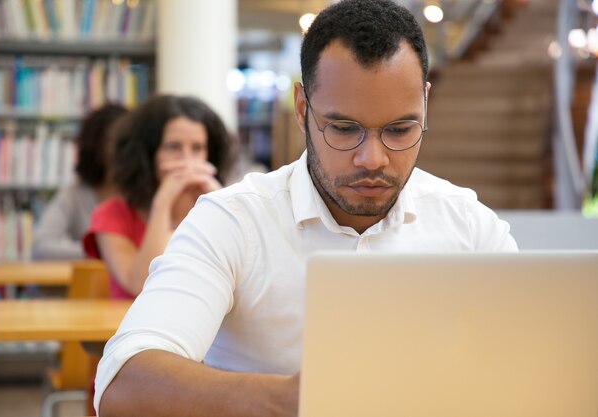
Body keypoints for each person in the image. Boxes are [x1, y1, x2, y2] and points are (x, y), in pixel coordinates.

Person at [95, 1, 518, 416]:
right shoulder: (233, 221)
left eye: (399, 129)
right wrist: (289, 400)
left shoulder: (469, 226)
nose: (372, 158)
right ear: (302, 109)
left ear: (425, 105)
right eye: (343, 128)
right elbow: (122, 383)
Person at [82, 94, 233, 299]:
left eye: (197, 148)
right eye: (173, 147)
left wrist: (220, 201)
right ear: (147, 154)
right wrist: (163, 202)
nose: (187, 160)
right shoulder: (111, 215)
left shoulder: (212, 207)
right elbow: (139, 284)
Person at [31, 103, 127, 260]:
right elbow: (41, 246)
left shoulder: (144, 194)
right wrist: (102, 252)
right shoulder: (75, 194)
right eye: (113, 142)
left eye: (127, 141)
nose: (121, 151)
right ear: (95, 146)